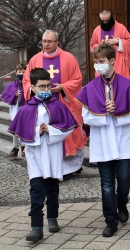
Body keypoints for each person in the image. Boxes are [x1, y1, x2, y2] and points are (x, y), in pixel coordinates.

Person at [75, 44, 130, 237]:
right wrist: (103, 112)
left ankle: (121, 203)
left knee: (124, 179)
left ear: (112, 61)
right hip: (103, 142)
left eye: (102, 62)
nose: (98, 65)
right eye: (96, 62)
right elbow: (86, 117)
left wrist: (118, 110)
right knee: (106, 184)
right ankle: (110, 220)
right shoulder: (90, 88)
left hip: (122, 140)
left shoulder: (126, 85)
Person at [8, 68, 78, 241]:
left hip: (53, 151)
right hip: (35, 153)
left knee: (52, 187)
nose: (46, 90)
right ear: (33, 88)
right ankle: (36, 227)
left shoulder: (57, 105)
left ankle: (52, 217)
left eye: (48, 86)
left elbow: (67, 128)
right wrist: (36, 133)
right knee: (37, 189)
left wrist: (52, 130)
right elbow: (21, 134)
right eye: (42, 87)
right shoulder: (26, 109)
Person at [22, 30, 86, 177]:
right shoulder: (35, 60)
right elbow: (26, 82)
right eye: (44, 41)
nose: (46, 44)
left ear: (57, 42)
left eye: (49, 41)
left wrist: (63, 87)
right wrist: (35, 91)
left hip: (63, 103)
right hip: (41, 106)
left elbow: (77, 80)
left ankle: (69, 168)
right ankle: (43, 167)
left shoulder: (69, 58)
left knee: (66, 132)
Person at [90, 10, 130, 82]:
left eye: (107, 20)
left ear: (111, 18)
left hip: (118, 63)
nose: (105, 23)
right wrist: (100, 45)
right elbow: (92, 45)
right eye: (103, 21)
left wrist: (118, 42)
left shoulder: (121, 28)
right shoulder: (97, 30)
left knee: (120, 85)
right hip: (103, 64)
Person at [1, 63, 26, 157]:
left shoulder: (29, 84)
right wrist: (14, 94)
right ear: (16, 72)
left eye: (24, 72)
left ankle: (24, 146)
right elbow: (5, 95)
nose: (21, 73)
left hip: (25, 109)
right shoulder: (11, 85)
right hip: (15, 109)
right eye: (19, 71)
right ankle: (16, 147)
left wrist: (23, 93)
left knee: (23, 127)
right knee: (15, 128)